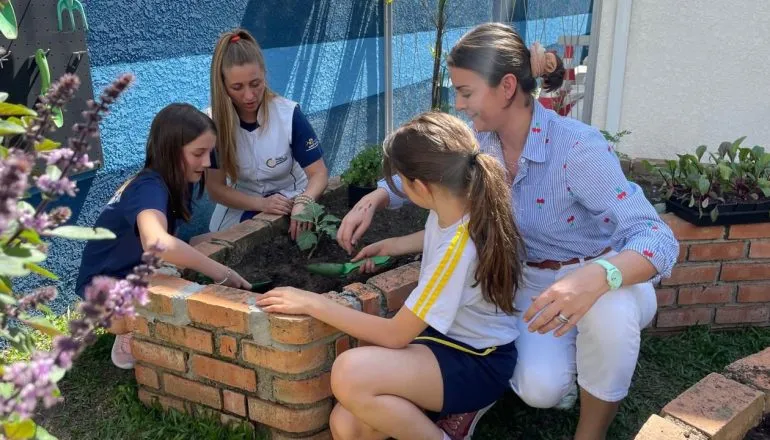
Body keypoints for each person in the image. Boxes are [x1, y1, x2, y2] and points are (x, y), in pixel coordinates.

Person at [336, 22, 679, 440]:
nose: (459, 104)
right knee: (539, 389)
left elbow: (658, 237)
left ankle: (591, 431)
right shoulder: (483, 146)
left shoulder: (577, 148)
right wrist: (375, 198)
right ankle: (572, 363)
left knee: (608, 316)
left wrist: (595, 277)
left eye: (466, 92)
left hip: (606, 274)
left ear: (507, 87)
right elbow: (429, 176)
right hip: (531, 281)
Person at [256, 112, 523, 440]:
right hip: (447, 341)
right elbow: (435, 237)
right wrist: (392, 245)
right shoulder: (459, 205)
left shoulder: (459, 249)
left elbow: (395, 335)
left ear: (421, 186)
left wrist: (312, 304)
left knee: (348, 373)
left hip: (478, 361)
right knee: (347, 424)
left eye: (400, 181)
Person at [76, 103, 251, 370]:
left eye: (209, 152)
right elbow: (157, 243)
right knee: (176, 272)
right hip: (103, 289)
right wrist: (220, 271)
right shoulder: (148, 187)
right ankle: (128, 329)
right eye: (199, 153)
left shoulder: (176, 181)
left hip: (139, 269)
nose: (207, 162)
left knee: (210, 241)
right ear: (171, 151)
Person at [204, 28, 328, 240]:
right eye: (237, 87)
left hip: (292, 196)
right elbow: (215, 189)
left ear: (264, 75)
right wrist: (261, 204)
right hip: (242, 201)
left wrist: (305, 201)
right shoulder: (211, 123)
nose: (249, 95)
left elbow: (319, 173)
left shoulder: (289, 114)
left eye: (255, 83)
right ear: (223, 85)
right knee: (211, 246)